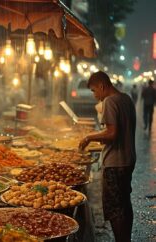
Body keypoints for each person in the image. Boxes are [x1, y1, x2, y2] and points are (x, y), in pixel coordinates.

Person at [78, 71, 136, 242]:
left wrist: (90, 137)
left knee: (115, 209)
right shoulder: (126, 98)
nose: (96, 96)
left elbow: (112, 133)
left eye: (94, 91)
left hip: (115, 163)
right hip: (128, 159)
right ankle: (126, 238)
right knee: (125, 203)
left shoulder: (110, 101)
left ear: (102, 86)